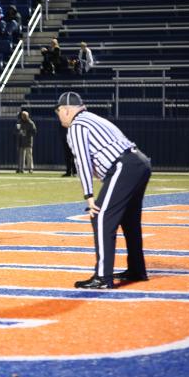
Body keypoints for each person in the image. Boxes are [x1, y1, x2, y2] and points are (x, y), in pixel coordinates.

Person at [55, 91, 152, 289]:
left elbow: (82, 161)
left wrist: (89, 196)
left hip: (124, 166)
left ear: (65, 110)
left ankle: (102, 277)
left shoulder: (76, 126)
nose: (58, 116)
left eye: (58, 112)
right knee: (129, 220)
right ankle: (136, 269)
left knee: (99, 216)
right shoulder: (94, 118)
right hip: (139, 161)